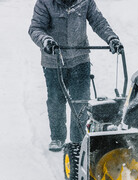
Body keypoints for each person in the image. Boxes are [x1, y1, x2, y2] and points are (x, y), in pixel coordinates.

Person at [28, 0, 122, 151]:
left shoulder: (85, 2)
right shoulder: (45, 3)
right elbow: (35, 28)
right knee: (56, 100)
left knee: (81, 101)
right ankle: (57, 137)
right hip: (54, 60)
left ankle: (78, 140)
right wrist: (45, 40)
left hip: (80, 59)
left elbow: (98, 22)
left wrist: (111, 38)